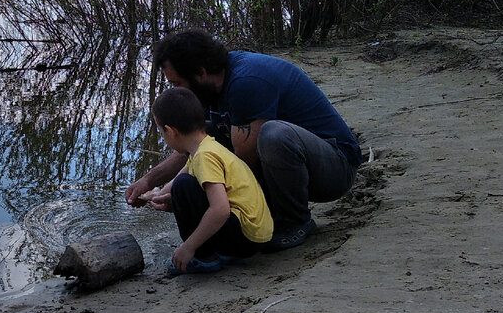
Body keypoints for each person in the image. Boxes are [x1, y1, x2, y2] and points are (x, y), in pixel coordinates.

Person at [126, 28, 362, 251]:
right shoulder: (209, 89)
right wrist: (152, 183)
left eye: (177, 83)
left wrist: (202, 194)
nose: (177, 90)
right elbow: (192, 147)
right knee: (216, 142)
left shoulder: (245, 82)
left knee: (273, 135)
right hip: (296, 169)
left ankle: (295, 222)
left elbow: (243, 161)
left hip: (336, 167)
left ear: (201, 72)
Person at [144, 86, 273, 274]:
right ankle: (212, 250)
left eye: (161, 133)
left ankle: (202, 257)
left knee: (183, 187)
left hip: (246, 238)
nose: (164, 138)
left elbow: (220, 210)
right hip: (257, 233)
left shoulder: (205, 157)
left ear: (170, 131)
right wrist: (156, 194)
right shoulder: (206, 146)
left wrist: (188, 247)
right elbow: (184, 172)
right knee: (182, 185)